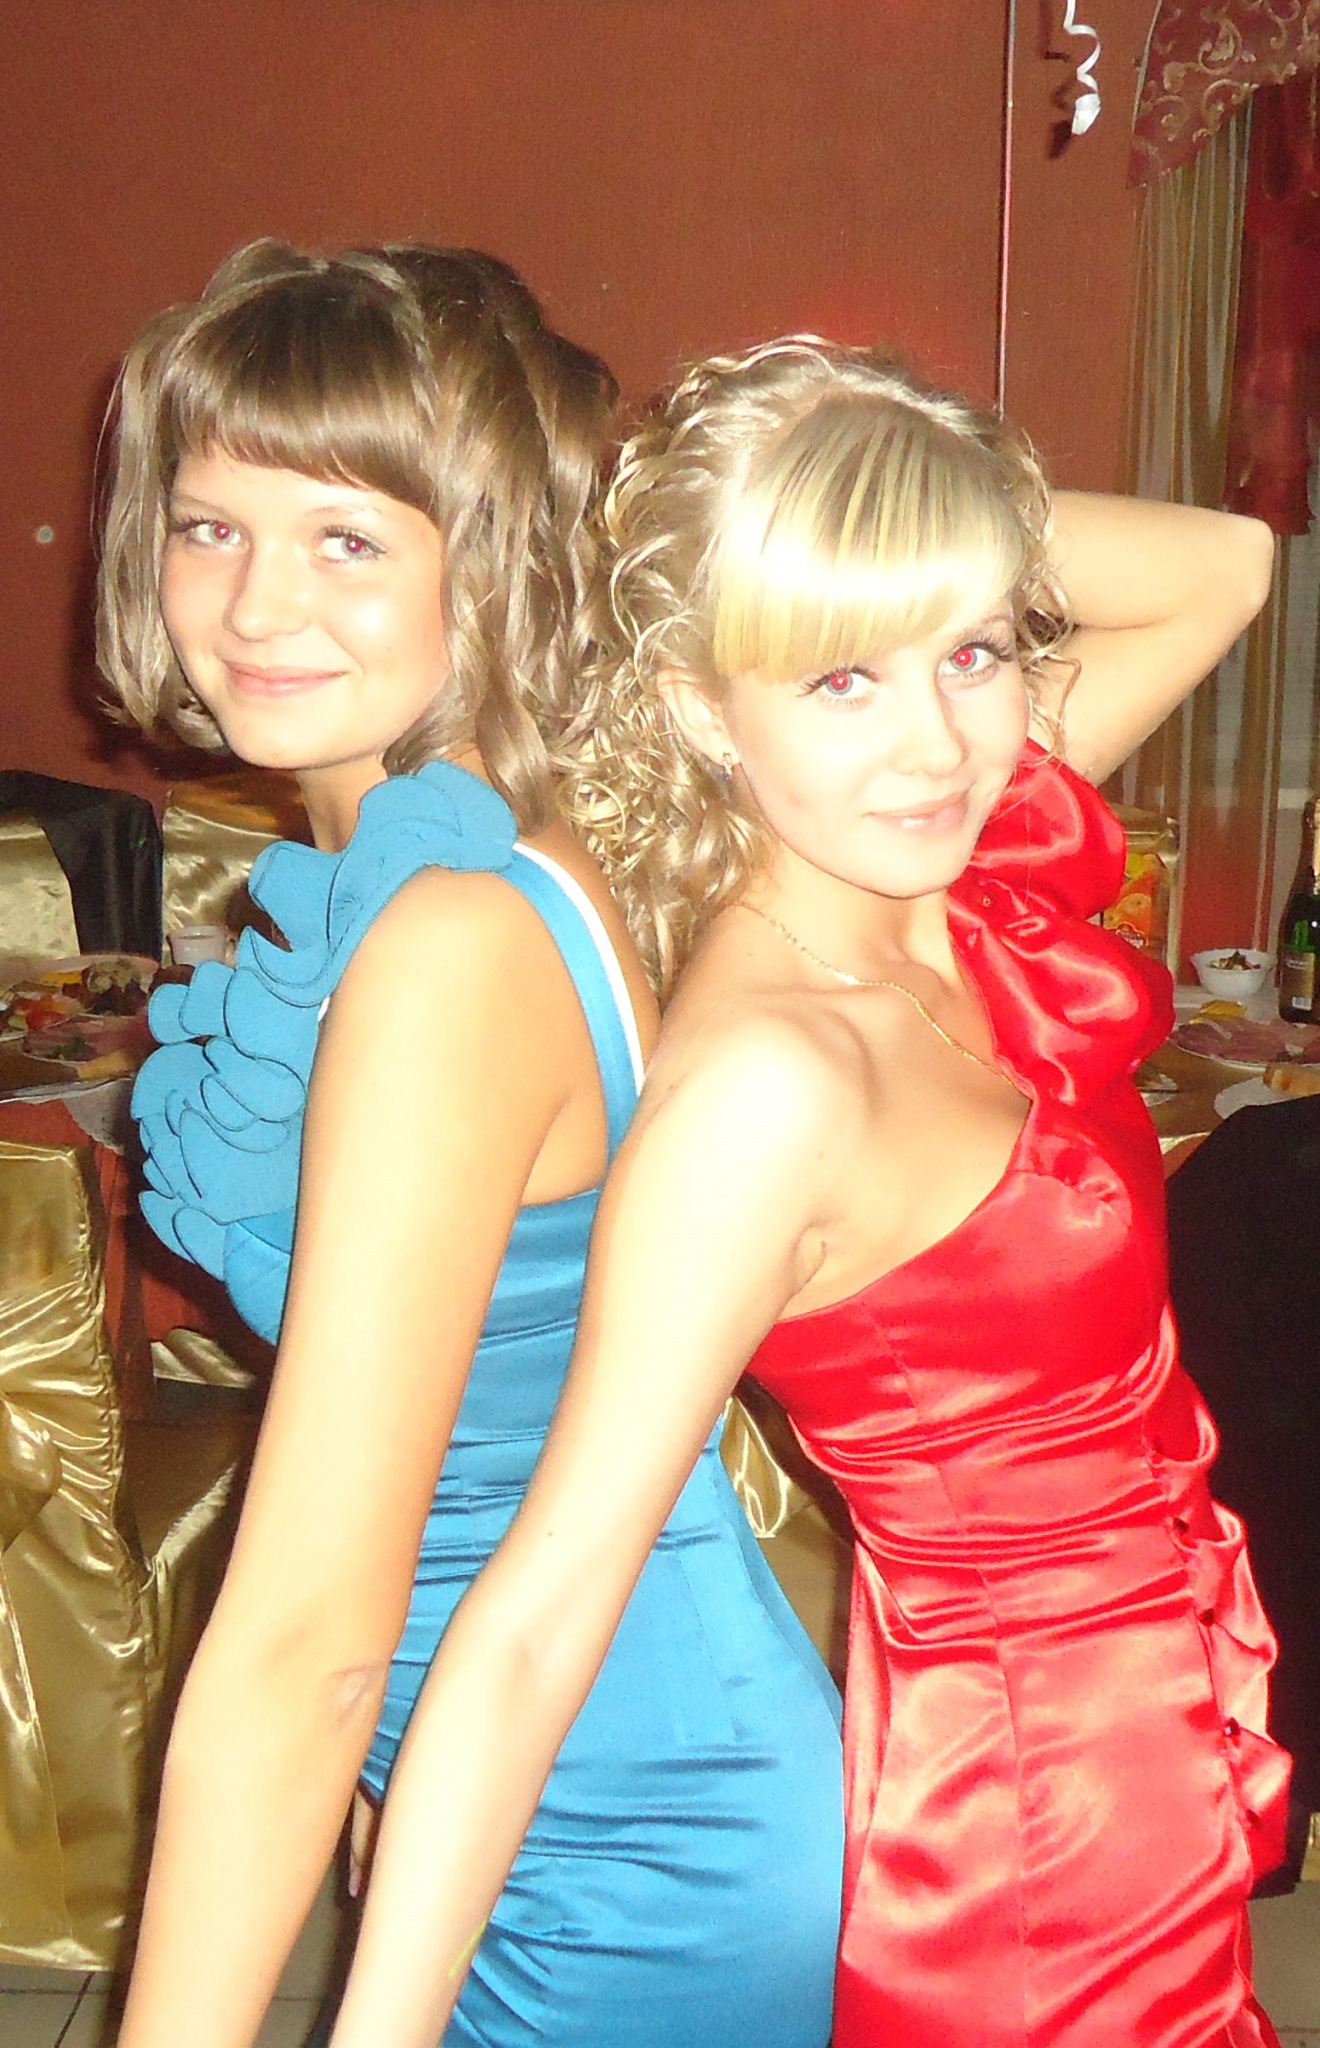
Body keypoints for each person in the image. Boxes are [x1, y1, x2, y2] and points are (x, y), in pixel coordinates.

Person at [329, 339, 1290, 2048]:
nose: (937, 742)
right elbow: (542, 1613)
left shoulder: (952, 865)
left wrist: (896, 492)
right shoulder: (768, 1090)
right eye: (841, 676)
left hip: (1154, 1744)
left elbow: (1230, 564)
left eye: (976, 649)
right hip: (1028, 1830)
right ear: (705, 702)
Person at [100, 255, 844, 2048]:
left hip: (614, 1834)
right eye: (209, 525)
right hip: (528, 1766)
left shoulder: (451, 942)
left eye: (347, 538)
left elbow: (306, 1642)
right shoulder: (474, 862)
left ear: (493, 563)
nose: (254, 602)